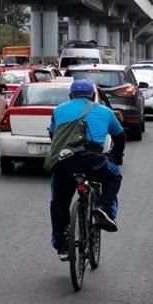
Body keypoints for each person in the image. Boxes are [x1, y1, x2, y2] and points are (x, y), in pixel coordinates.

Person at [48, 79, 124, 261]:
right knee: (114, 176)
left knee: (59, 202)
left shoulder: (59, 110)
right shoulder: (105, 111)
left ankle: (62, 244)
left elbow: (53, 135)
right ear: (92, 95)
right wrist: (117, 156)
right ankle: (104, 209)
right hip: (92, 161)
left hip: (64, 163)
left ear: (71, 95)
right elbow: (120, 136)